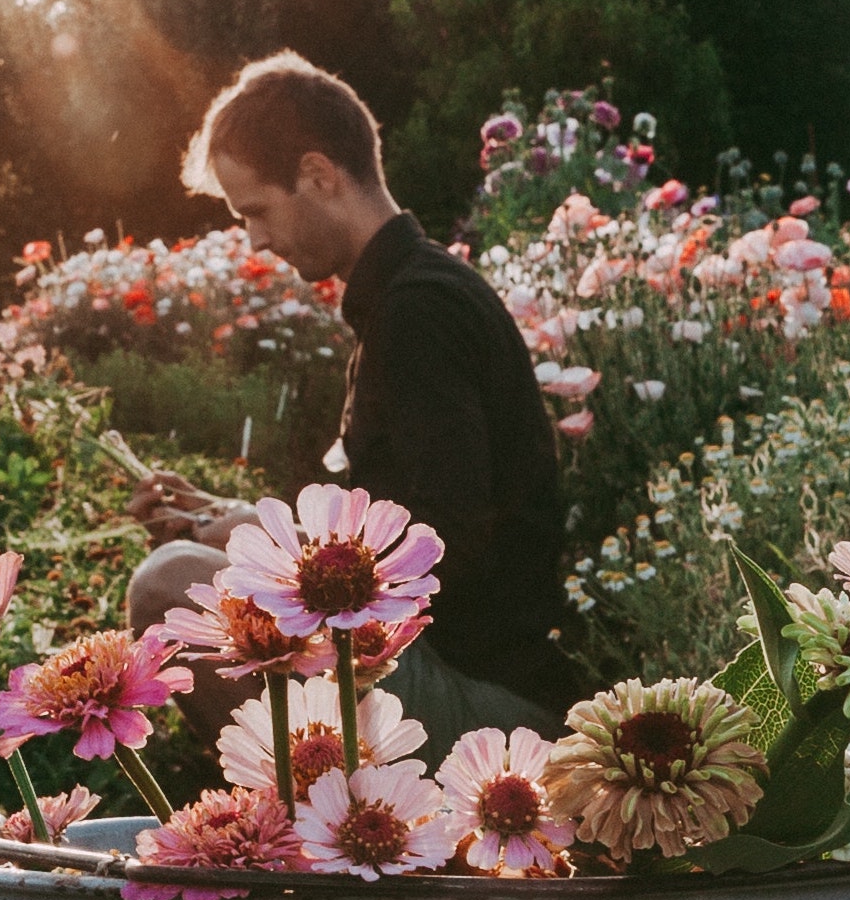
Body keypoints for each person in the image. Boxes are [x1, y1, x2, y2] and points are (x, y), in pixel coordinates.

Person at [126, 54, 580, 748]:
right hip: (463, 676)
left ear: (317, 174)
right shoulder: (408, 298)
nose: (254, 238)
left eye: (256, 210)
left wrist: (280, 554)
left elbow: (448, 541)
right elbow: (403, 522)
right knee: (192, 572)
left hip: (493, 704)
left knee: (169, 585)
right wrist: (242, 524)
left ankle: (325, 842)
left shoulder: (417, 313)